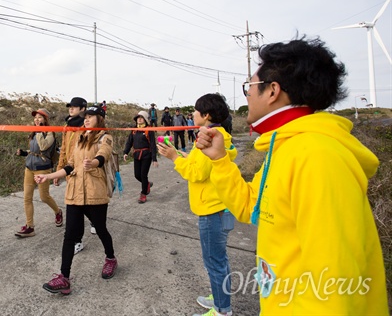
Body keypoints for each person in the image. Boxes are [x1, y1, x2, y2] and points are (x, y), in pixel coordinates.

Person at [195, 36, 388, 315]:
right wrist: (221, 161)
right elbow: (251, 207)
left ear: (272, 91)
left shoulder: (318, 156)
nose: (246, 95)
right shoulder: (285, 148)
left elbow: (334, 286)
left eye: (249, 86)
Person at [158, 94, 237, 316]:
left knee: (214, 262)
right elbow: (199, 163)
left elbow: (196, 173)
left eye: (195, 110)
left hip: (212, 210)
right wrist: (182, 154)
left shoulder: (210, 136)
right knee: (219, 259)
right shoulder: (216, 135)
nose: (192, 114)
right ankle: (219, 295)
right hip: (219, 208)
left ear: (207, 114)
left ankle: (222, 310)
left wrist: (174, 157)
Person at [35, 105, 117, 295]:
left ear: (100, 119)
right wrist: (48, 176)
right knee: (70, 235)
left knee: (101, 229)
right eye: (85, 116)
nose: (86, 119)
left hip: (95, 193)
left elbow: (103, 156)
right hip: (74, 193)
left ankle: (111, 259)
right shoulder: (80, 138)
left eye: (91, 116)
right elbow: (70, 165)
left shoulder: (105, 136)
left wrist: (93, 163)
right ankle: (64, 278)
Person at [15, 109, 63, 238]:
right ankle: (30, 227)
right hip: (29, 167)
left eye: (40, 118)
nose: (36, 120)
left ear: (45, 120)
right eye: (35, 118)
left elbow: (43, 147)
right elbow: (34, 150)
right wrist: (24, 153)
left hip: (42, 168)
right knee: (27, 198)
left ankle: (58, 211)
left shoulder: (50, 133)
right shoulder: (33, 133)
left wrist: (40, 131)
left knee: (44, 197)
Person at [54, 96, 91, 254]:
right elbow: (63, 149)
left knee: (80, 205)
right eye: (70, 106)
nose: (71, 109)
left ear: (82, 108)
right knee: (76, 206)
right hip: (69, 171)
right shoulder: (67, 126)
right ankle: (78, 238)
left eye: (74, 107)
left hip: (83, 170)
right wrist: (59, 170)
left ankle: (78, 239)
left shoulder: (86, 126)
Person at [123, 110, 158, 204]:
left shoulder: (149, 130)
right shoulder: (134, 130)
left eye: (141, 118)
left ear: (145, 120)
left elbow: (153, 145)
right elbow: (129, 142)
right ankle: (146, 184)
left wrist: (154, 158)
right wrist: (125, 152)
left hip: (147, 155)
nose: (139, 119)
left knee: (143, 174)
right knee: (137, 175)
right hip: (136, 155)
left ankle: (143, 194)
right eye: (138, 118)